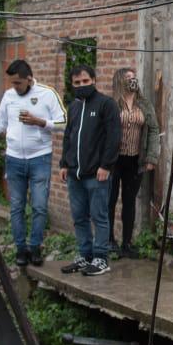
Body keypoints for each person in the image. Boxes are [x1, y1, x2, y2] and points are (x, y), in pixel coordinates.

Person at [0, 60, 66, 267]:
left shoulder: (47, 94)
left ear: (29, 79)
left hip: (40, 158)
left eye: (18, 83)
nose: (14, 87)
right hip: (14, 159)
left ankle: (35, 247)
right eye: (12, 83)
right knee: (16, 207)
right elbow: (0, 123)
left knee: (40, 206)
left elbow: (63, 123)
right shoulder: (9, 96)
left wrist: (40, 122)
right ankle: (20, 249)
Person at [59, 64, 121, 277]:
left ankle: (101, 258)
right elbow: (68, 136)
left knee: (99, 216)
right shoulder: (74, 107)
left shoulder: (106, 104)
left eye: (85, 81)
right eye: (77, 83)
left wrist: (106, 165)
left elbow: (114, 138)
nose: (81, 85)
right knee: (79, 217)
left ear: (94, 80)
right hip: (75, 175)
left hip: (97, 174)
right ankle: (84, 255)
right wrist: (64, 164)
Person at [108, 67, 161, 259]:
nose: (133, 80)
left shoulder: (144, 104)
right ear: (120, 81)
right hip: (113, 161)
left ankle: (127, 243)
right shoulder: (112, 104)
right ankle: (109, 241)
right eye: (128, 77)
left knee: (129, 202)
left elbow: (154, 130)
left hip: (135, 160)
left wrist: (151, 158)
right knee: (110, 200)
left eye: (134, 77)